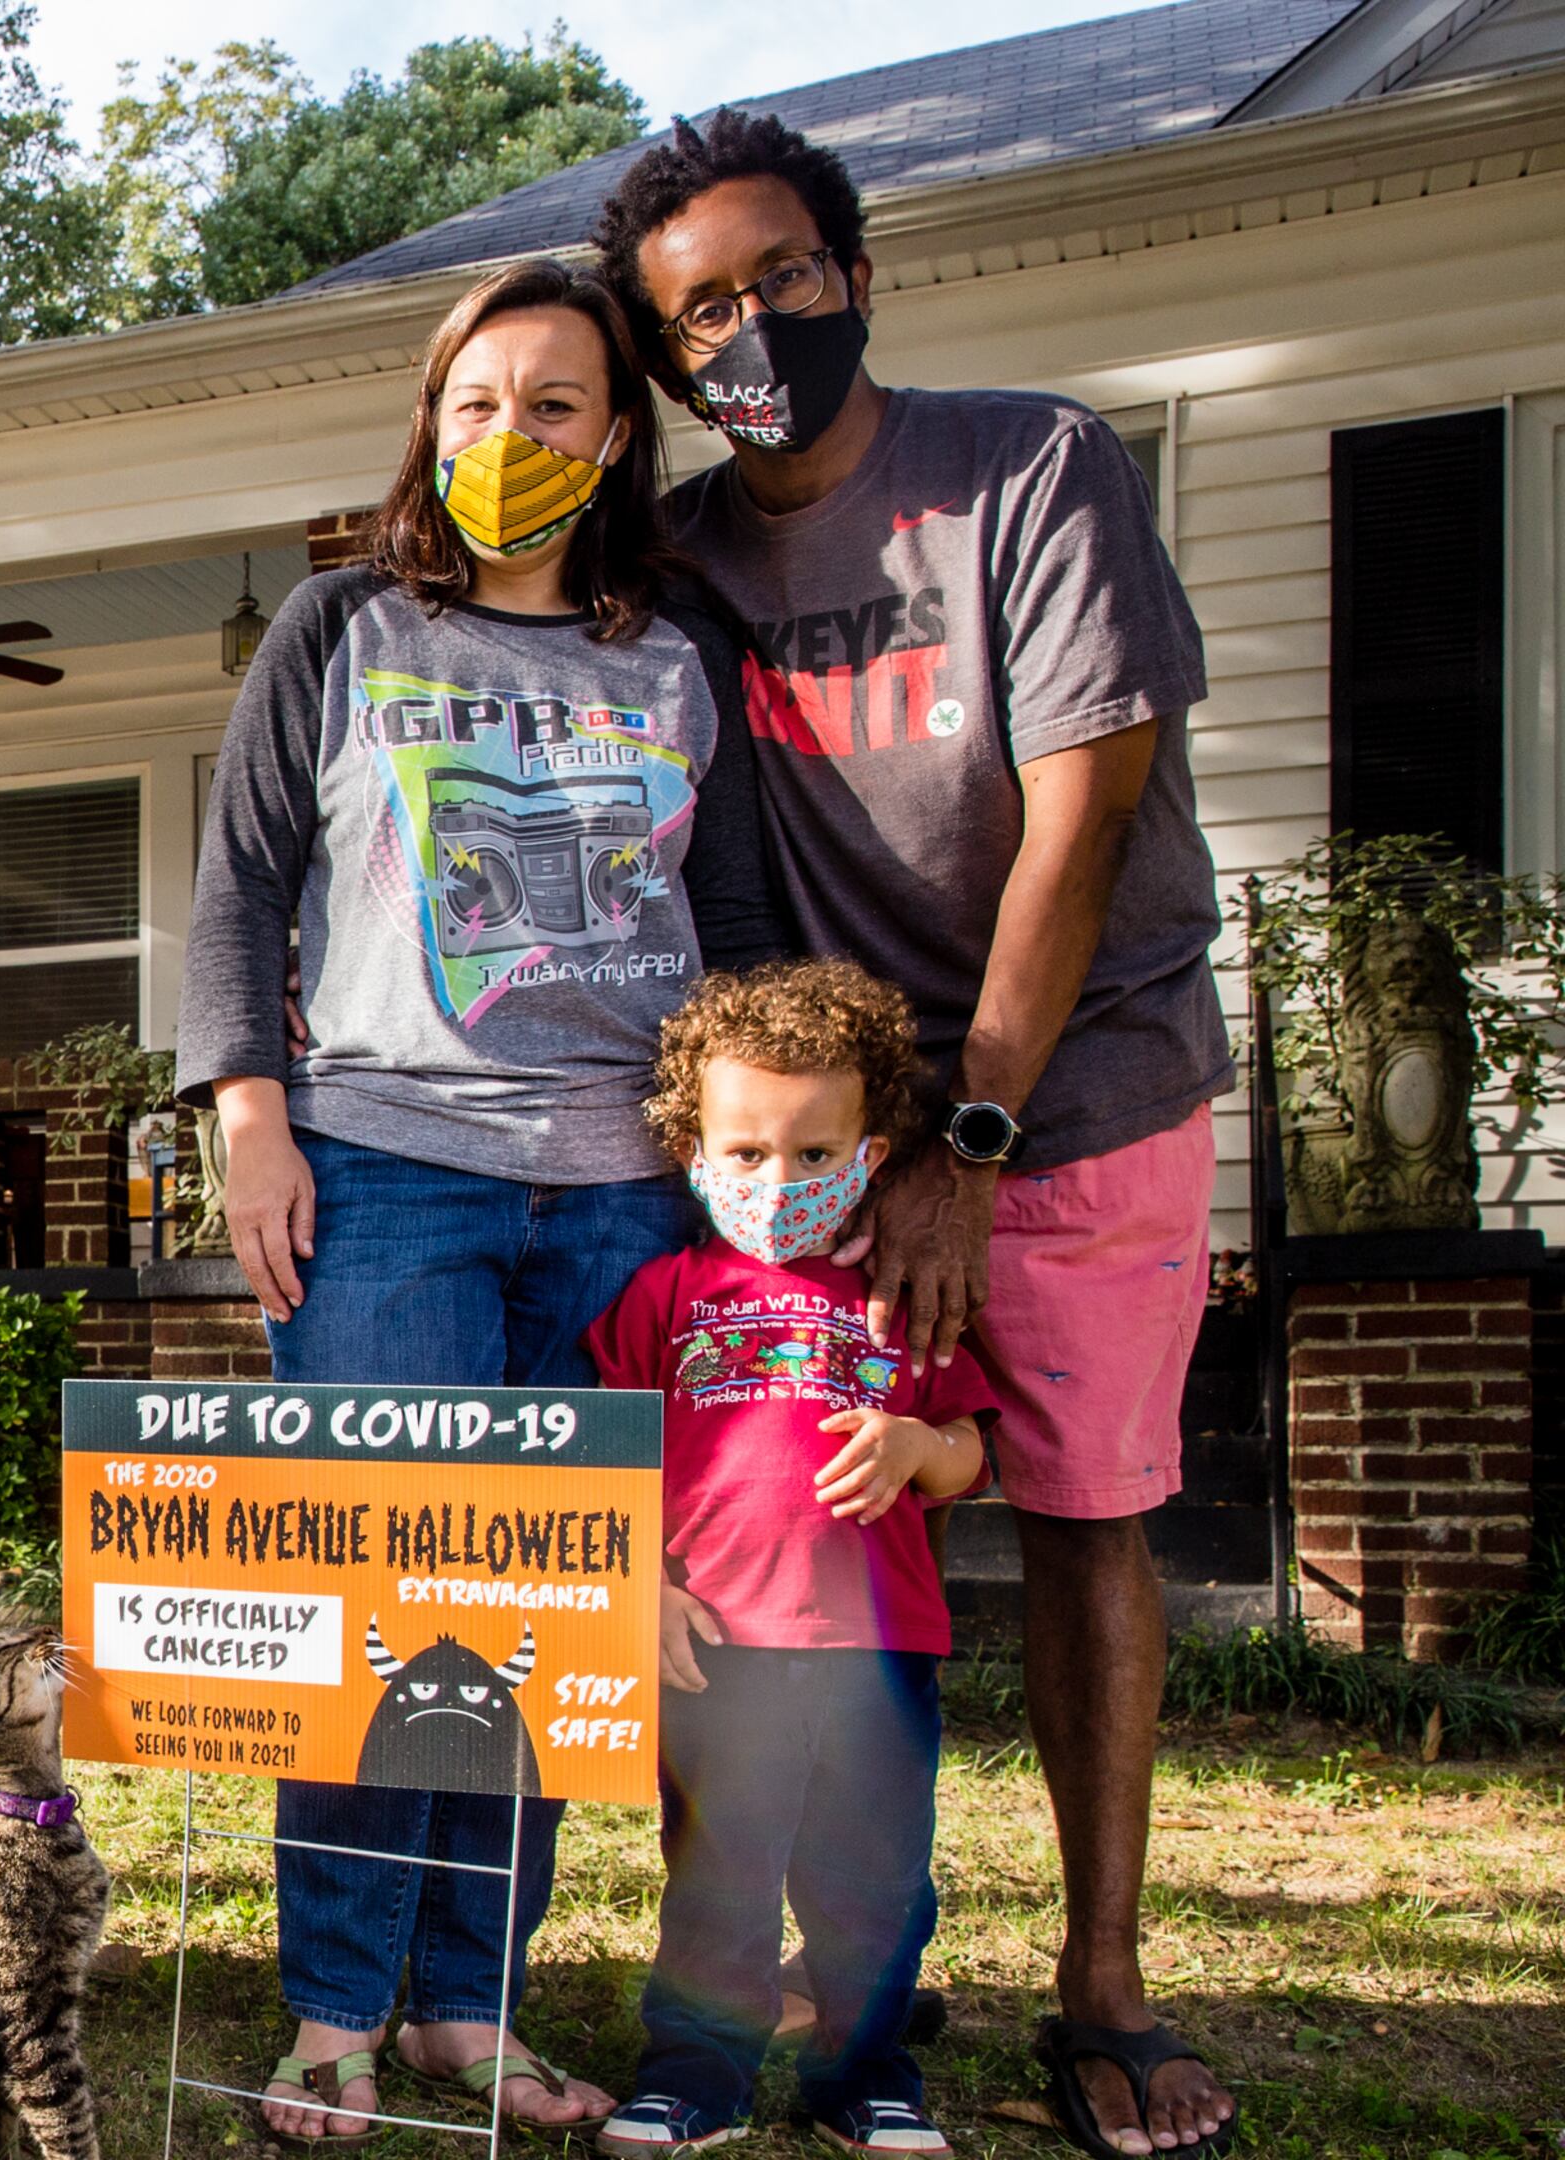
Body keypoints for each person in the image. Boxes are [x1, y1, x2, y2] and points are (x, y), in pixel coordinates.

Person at [591, 112, 1238, 2160]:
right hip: (839, 1119)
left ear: (857, 278)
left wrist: (965, 1132)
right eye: (698, 310)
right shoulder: (687, 559)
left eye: (778, 279)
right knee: (780, 1506)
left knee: (1081, 1510)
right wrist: (819, 1127)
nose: (746, 327)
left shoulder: (1032, 466)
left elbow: (1088, 806)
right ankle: (830, 1951)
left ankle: (1104, 1980)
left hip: (1087, 1076)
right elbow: (724, 861)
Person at [174, 257, 790, 2140]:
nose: (505, 435)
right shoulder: (345, 626)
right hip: (383, 1179)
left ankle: (472, 2002)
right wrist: (248, 1117)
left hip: (622, 1200)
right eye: (474, 401)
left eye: (549, 405)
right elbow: (240, 885)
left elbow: (743, 931)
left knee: (537, 1622)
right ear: (428, 423)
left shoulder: (680, 660)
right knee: (383, 1609)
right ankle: (339, 2002)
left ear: (615, 437)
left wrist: (738, 1176)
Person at [583, 962, 994, 2155]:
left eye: (815, 1156)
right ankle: (695, 2072)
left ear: (869, 1157)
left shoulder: (895, 1298)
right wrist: (639, 1588)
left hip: (878, 1649)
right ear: (693, 1152)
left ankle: (861, 2074)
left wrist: (920, 1442)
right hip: (716, 1650)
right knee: (719, 1875)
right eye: (748, 1153)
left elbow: (972, 1451)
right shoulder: (664, 1294)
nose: (779, 1182)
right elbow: (606, 1458)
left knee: (874, 1882)